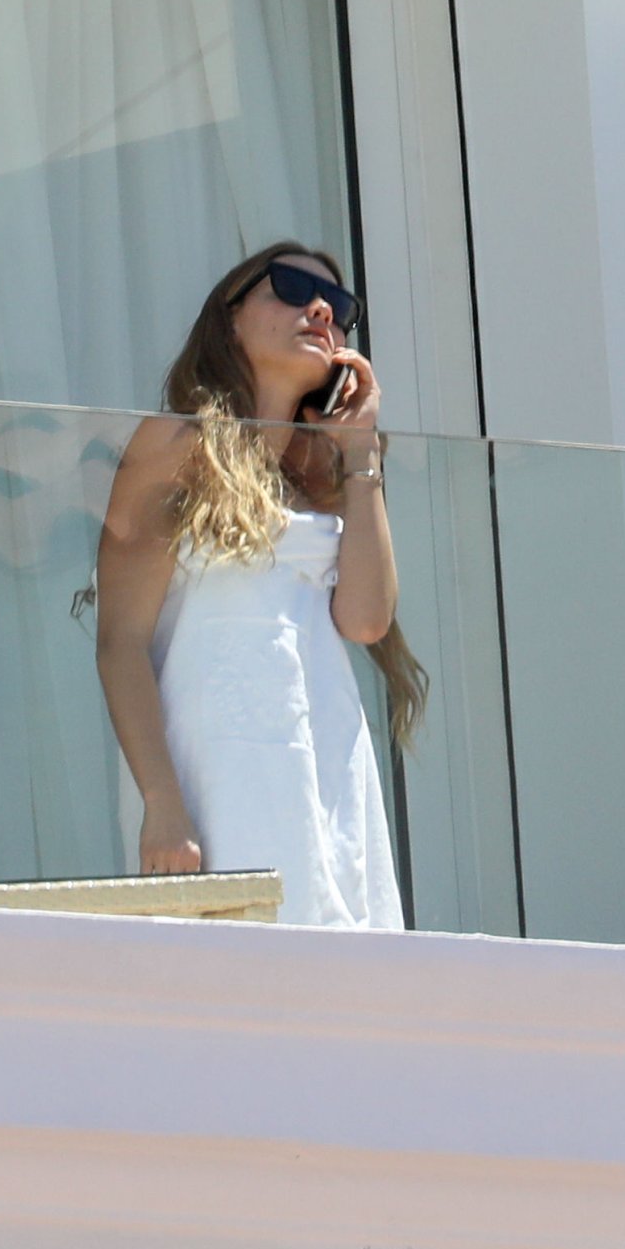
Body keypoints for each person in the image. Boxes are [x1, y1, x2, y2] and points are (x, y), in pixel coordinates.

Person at [93, 241, 429, 928]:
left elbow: (366, 620)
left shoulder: (325, 478)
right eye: (292, 287)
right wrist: (162, 801)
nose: (321, 310)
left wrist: (359, 449)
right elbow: (120, 642)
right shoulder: (174, 444)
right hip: (217, 768)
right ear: (230, 318)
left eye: (340, 307)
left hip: (323, 764)